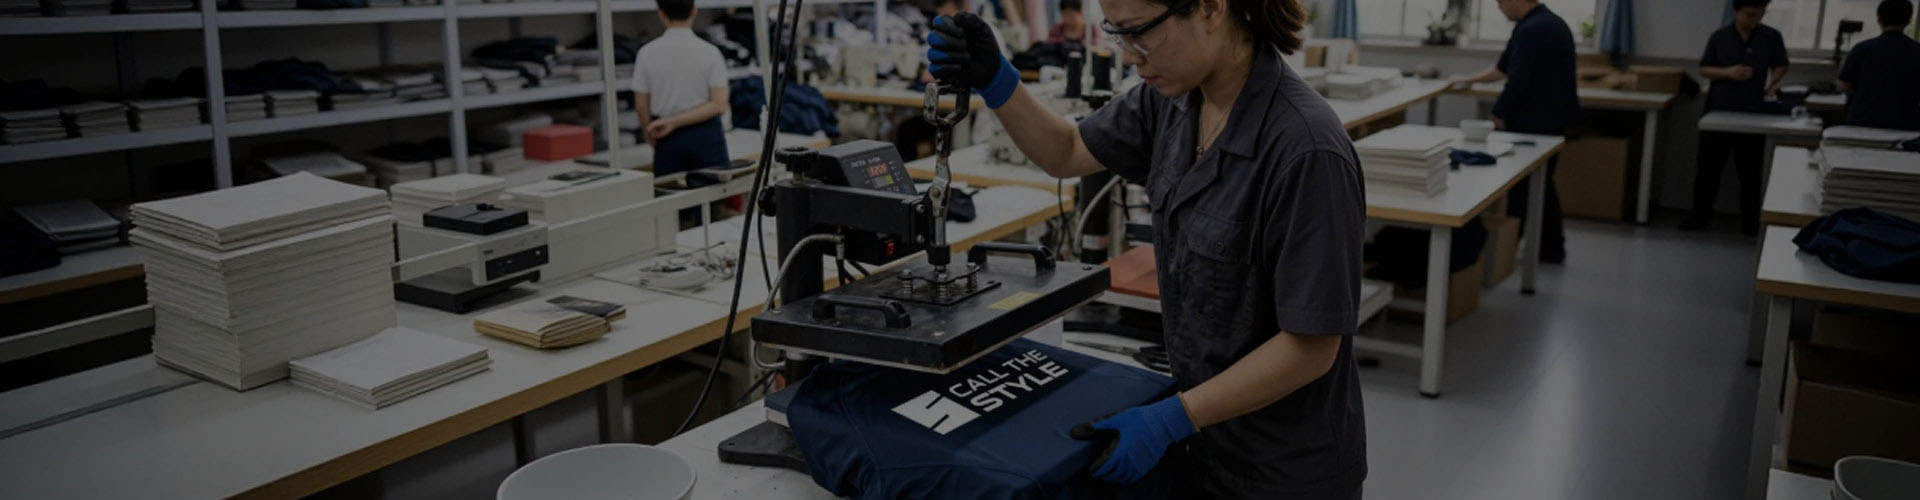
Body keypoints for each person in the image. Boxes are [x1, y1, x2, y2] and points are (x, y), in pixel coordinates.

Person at [928, 0, 1367, 497]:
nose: (1130, 57)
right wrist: (998, 81)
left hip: (1283, 469)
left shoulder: (1306, 150)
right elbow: (1068, 151)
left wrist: (1169, 419)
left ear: (1210, 8)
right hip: (1204, 440)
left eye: (1139, 34)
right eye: (1117, 35)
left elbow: (1310, 348)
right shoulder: (1173, 101)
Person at [1446, 0, 1576, 264]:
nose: (1499, 7)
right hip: (1552, 117)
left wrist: (1499, 111)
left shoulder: (1532, 29)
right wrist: (1466, 79)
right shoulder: (1544, 23)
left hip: (1537, 122)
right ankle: (1546, 247)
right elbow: (1503, 69)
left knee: (1528, 186)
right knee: (1540, 183)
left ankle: (1522, 249)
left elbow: (1518, 77)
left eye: (1501, 1)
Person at [1683, 0, 1790, 233]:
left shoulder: (1771, 36)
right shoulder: (1720, 37)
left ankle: (1751, 223)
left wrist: (1772, 83)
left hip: (1752, 113)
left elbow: (1781, 64)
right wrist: (1728, 72)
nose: (1755, 20)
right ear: (1736, 12)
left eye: (1760, 15)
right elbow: (1704, 68)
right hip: (1719, 111)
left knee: (1750, 172)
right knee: (1708, 170)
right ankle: (1699, 217)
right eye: (1750, 15)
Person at [633, 0, 729, 177]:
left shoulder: (646, 53)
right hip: (705, 136)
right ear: (694, 11)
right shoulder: (710, 52)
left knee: (672, 199)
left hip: (665, 136)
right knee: (713, 198)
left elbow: (641, 105)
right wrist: (675, 122)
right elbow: (718, 104)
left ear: (661, 14)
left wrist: (651, 133)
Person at [1838, 0, 1920, 131]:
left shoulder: (1861, 49)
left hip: (1861, 123)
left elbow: (1843, 86)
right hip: (1905, 126)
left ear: (1879, 19)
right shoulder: (1917, 51)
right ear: (1909, 21)